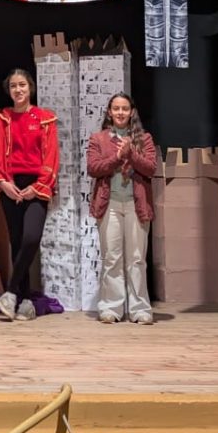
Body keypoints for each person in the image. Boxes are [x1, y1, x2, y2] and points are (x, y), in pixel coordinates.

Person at [0, 68, 59, 322]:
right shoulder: (1, 120)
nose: (18, 90)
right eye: (13, 86)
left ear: (30, 88)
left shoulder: (44, 119)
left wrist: (37, 187)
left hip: (36, 186)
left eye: (22, 85)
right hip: (10, 185)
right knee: (16, 242)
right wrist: (3, 183)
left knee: (30, 238)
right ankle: (25, 301)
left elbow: (51, 158)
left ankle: (11, 292)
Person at [87, 92, 159, 324]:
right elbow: (93, 168)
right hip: (109, 205)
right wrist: (118, 158)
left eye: (125, 109)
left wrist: (131, 154)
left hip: (136, 205)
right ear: (109, 112)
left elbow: (151, 168)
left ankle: (140, 309)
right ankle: (111, 307)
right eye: (116, 108)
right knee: (112, 258)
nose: (120, 113)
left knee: (137, 259)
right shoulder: (98, 139)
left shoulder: (144, 138)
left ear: (131, 112)